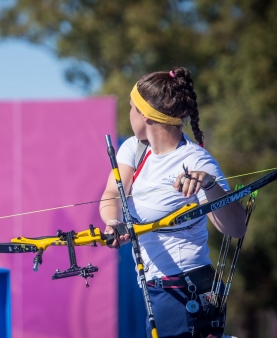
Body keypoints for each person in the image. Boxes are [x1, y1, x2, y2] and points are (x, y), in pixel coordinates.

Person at [100, 67, 247, 338]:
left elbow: (236, 227)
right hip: (159, 289)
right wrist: (113, 222)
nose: (128, 113)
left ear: (144, 115)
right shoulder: (134, 148)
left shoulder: (196, 161)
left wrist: (208, 184)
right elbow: (112, 194)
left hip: (188, 289)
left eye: (131, 107)